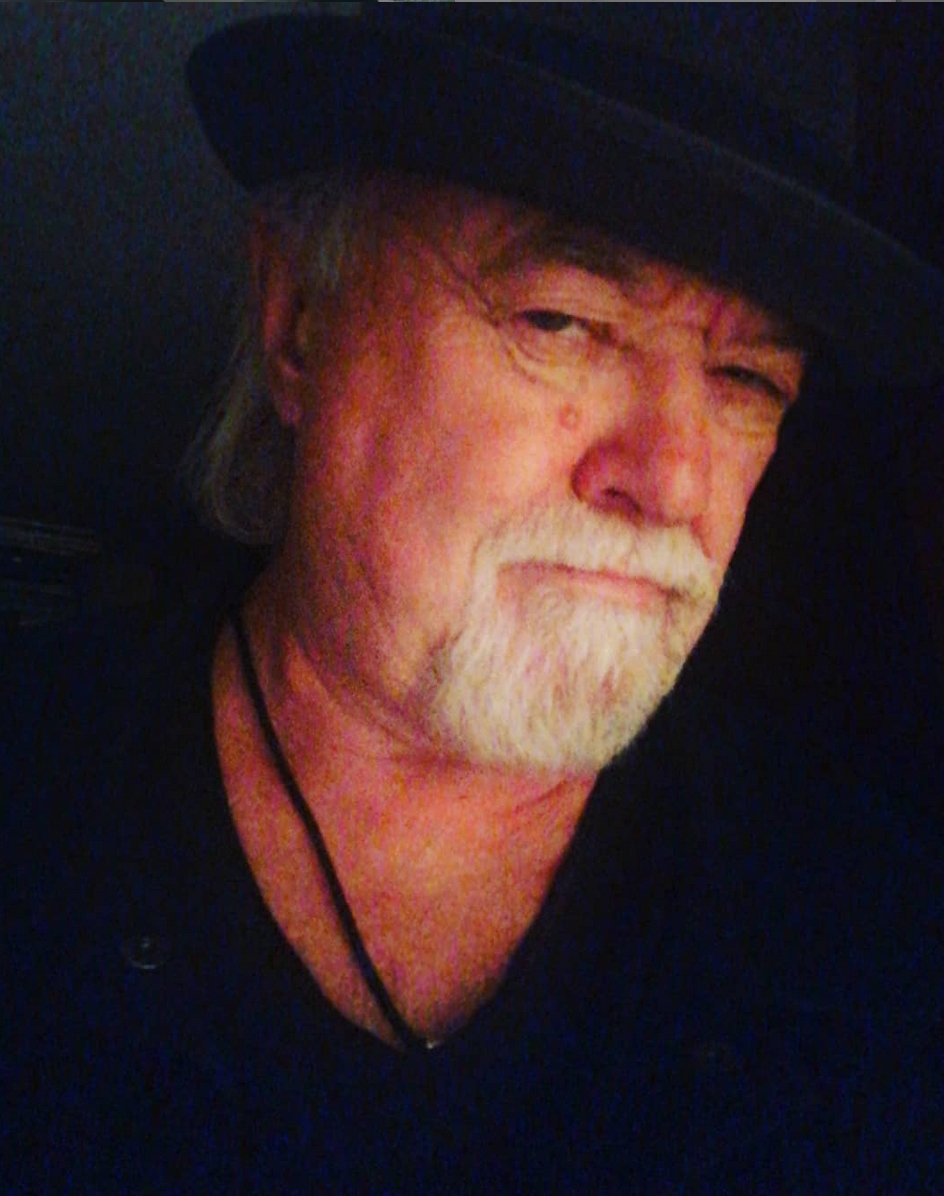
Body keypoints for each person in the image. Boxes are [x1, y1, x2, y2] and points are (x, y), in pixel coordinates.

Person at [5, 7, 944, 1193]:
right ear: (299, 320)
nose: (670, 480)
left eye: (746, 378)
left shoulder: (869, 943)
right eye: (562, 321)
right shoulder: (36, 811)